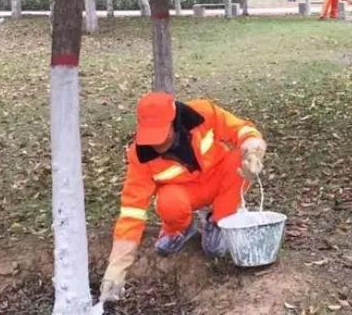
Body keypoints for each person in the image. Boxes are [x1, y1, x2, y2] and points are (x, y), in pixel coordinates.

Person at [99, 92, 266, 302]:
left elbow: (243, 130)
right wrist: (116, 268)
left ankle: (219, 221)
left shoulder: (202, 113)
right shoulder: (140, 156)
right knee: (169, 202)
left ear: (174, 120)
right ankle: (179, 230)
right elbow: (131, 212)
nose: (156, 144)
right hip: (183, 193)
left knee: (236, 164)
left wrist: (253, 152)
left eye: (161, 134)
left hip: (218, 180)